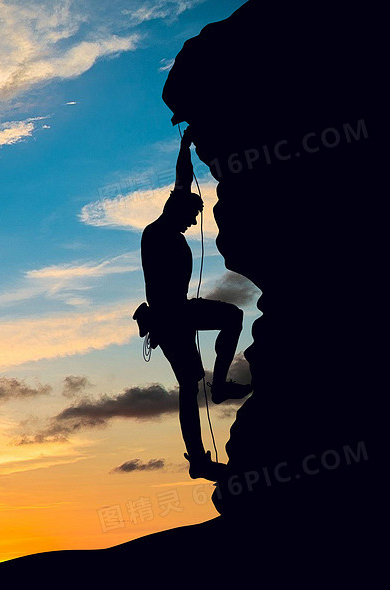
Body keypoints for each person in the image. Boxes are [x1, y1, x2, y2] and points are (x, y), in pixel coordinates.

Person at [141, 128, 252, 481]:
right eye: (191, 217)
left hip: (180, 312)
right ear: (177, 211)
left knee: (232, 319)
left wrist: (185, 146)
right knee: (189, 384)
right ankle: (198, 460)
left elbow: (183, 181)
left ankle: (218, 387)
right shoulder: (156, 233)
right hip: (169, 317)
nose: (193, 223)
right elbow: (180, 185)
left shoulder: (169, 228)